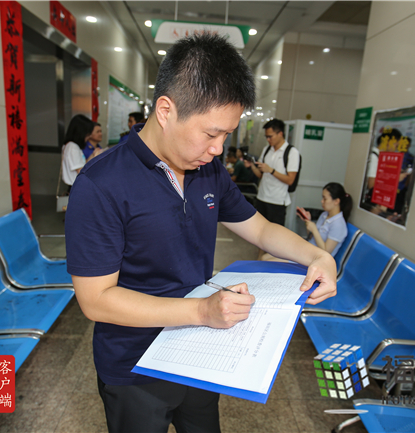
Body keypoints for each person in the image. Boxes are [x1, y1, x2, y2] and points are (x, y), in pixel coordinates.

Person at [65, 34, 336, 433]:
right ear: (166, 110)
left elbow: (261, 229)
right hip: (134, 366)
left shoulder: (207, 170)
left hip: (198, 351)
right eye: (211, 134)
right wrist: (201, 311)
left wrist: (318, 256)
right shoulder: (101, 184)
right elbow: (96, 300)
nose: (218, 149)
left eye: (226, 135)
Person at [250, 118, 300, 227]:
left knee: (274, 232)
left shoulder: (292, 152)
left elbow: (290, 180)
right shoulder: (267, 149)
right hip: (261, 197)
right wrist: (252, 166)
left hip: (277, 201)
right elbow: (261, 175)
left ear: (280, 134)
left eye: (270, 136)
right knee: (258, 230)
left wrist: (271, 170)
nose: (268, 139)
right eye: (266, 137)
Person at [300, 182, 352, 257]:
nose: (322, 201)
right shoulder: (324, 215)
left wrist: (314, 230)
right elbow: (311, 237)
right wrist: (308, 221)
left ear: (336, 201)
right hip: (308, 250)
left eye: (325, 199)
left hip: (317, 258)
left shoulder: (338, 224)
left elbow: (326, 252)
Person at [62, 115, 101, 188]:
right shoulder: (72, 147)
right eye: (88, 133)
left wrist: (93, 155)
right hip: (76, 187)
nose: (88, 137)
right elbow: (82, 172)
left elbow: (81, 165)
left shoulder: (69, 145)